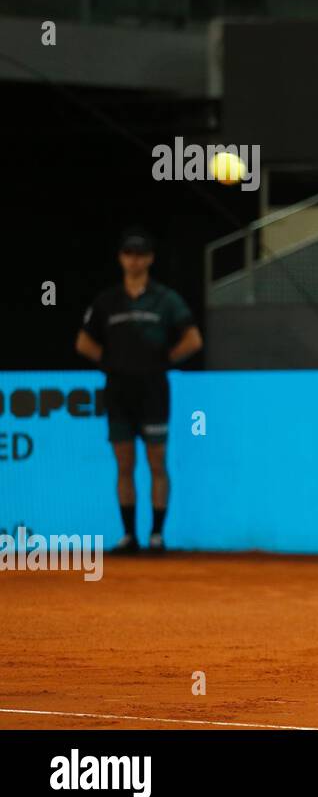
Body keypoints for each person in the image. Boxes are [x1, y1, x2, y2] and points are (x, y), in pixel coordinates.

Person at [75, 230, 203, 555]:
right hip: (118, 390)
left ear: (149, 258)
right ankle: (129, 536)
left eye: (140, 254)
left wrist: (163, 360)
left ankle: (157, 535)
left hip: (153, 389)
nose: (134, 259)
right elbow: (83, 342)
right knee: (124, 464)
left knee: (157, 461)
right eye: (129, 253)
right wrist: (112, 362)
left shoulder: (166, 299)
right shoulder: (107, 301)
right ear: (121, 258)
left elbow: (193, 339)